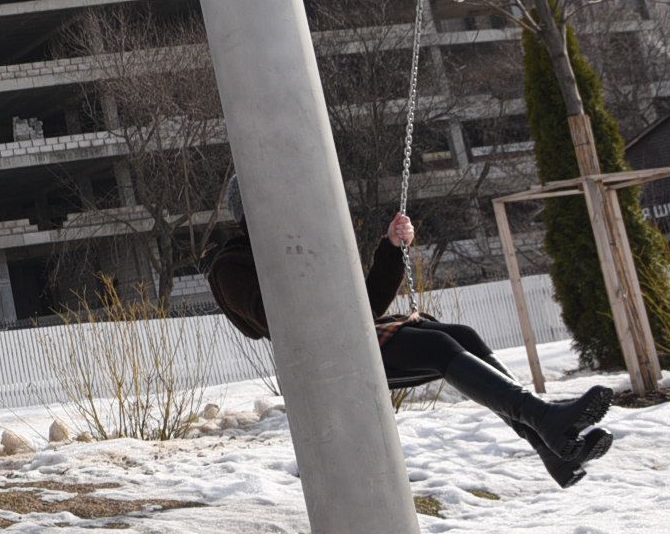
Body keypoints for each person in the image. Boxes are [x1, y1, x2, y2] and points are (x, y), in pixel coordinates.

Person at [207, 199, 617, 487]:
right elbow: (282, 321)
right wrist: (299, 261)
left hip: (352, 335)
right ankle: (544, 421)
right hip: (323, 360)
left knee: (460, 337)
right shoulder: (232, 267)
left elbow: (364, 306)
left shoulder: (299, 246)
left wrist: (390, 249)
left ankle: (552, 450)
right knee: (438, 349)